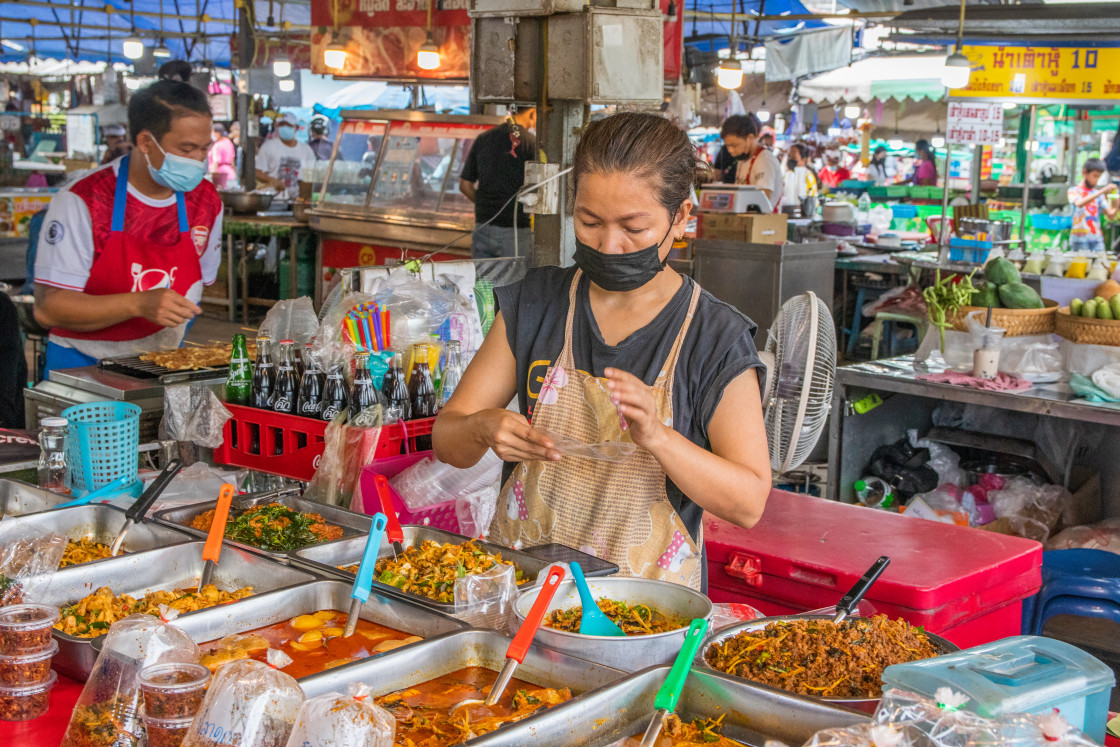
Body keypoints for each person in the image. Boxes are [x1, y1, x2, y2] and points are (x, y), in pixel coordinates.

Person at [434, 112, 771, 591]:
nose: (609, 246)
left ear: (680, 218)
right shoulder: (537, 302)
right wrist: (482, 428)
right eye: (589, 222)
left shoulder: (714, 336)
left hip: (642, 615)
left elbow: (748, 503)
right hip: (525, 593)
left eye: (633, 227)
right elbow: (448, 438)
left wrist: (658, 436)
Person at [32, 79, 222, 374]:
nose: (199, 161)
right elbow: (47, 308)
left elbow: (199, 284)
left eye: (204, 149)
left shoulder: (205, 201)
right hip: (81, 366)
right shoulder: (84, 200)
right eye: (186, 149)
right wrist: (137, 304)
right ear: (146, 142)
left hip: (163, 365)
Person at [459, 106, 537, 260]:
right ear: (532, 112)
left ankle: (485, 287)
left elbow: (464, 185)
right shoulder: (530, 143)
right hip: (514, 232)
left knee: (484, 282)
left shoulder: (483, 138)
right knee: (516, 282)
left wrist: (486, 204)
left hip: (483, 227)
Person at [719, 114, 782, 211]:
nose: (730, 150)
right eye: (727, 146)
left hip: (764, 224)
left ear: (751, 138)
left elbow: (762, 203)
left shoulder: (764, 160)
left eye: (734, 145)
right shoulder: (743, 159)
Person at [256, 113, 315, 199]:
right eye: (281, 125)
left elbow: (312, 176)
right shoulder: (268, 146)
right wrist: (271, 180)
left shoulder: (306, 150)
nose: (285, 128)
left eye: (288, 125)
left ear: (296, 127)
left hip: (298, 200)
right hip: (274, 199)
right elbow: (258, 172)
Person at [1069, 158, 1119, 254]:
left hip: (1097, 239)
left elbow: (1111, 215)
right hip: (1079, 239)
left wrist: (1115, 201)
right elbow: (1079, 203)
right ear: (1085, 172)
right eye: (1094, 176)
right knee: (1082, 267)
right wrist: (1102, 191)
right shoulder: (1074, 191)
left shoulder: (1097, 194)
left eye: (1098, 177)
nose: (1096, 180)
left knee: (1101, 265)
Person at [782, 142, 819, 218]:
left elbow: (811, 200)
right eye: (789, 157)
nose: (790, 160)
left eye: (794, 158)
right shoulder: (788, 175)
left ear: (804, 160)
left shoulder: (808, 176)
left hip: (804, 215)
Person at [208, 123, 237, 190]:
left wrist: (212, 178)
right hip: (231, 174)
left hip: (220, 176)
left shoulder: (217, 145)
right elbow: (232, 161)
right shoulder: (228, 142)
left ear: (217, 133)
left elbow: (216, 162)